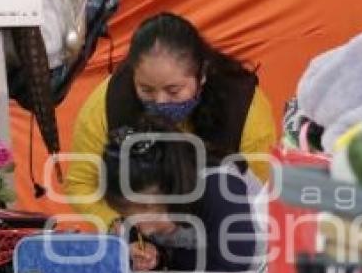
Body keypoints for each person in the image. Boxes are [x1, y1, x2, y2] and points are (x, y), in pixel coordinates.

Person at [66, 12, 276, 230]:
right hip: (141, 240)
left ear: (201, 75)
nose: (160, 102)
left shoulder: (243, 107)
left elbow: (260, 194)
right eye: (146, 90)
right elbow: (81, 185)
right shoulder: (107, 103)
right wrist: (117, 224)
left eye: (173, 90)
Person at [103, 125, 257, 272]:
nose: (143, 229)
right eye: (127, 216)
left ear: (174, 187)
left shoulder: (220, 186)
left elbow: (233, 262)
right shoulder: (141, 200)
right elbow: (125, 244)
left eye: (145, 209)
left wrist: (166, 257)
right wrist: (136, 252)